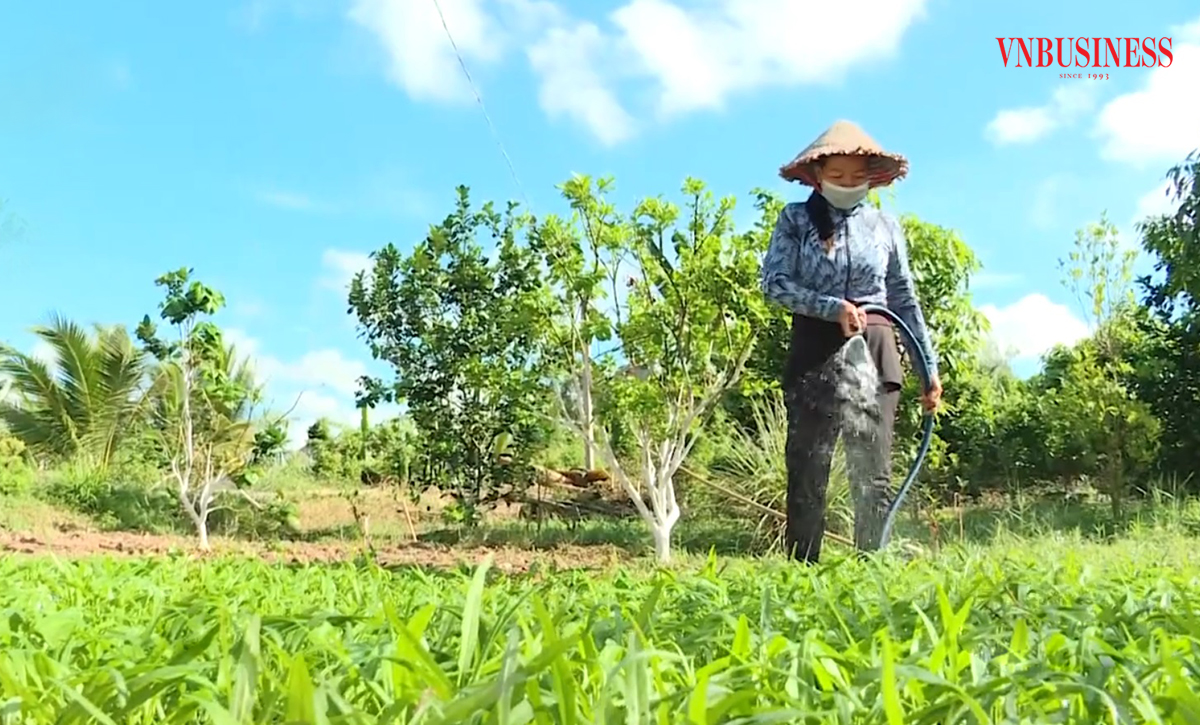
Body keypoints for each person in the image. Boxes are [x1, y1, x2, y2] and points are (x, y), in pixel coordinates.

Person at [759, 119, 943, 563]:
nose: (847, 184)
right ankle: (801, 571)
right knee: (808, 468)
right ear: (818, 176)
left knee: (874, 472)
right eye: (837, 177)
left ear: (871, 177)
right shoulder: (796, 220)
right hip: (815, 345)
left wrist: (929, 370)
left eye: (856, 176)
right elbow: (774, 284)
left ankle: (870, 567)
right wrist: (830, 307)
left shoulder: (885, 226)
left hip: (877, 343)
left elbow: (903, 296)